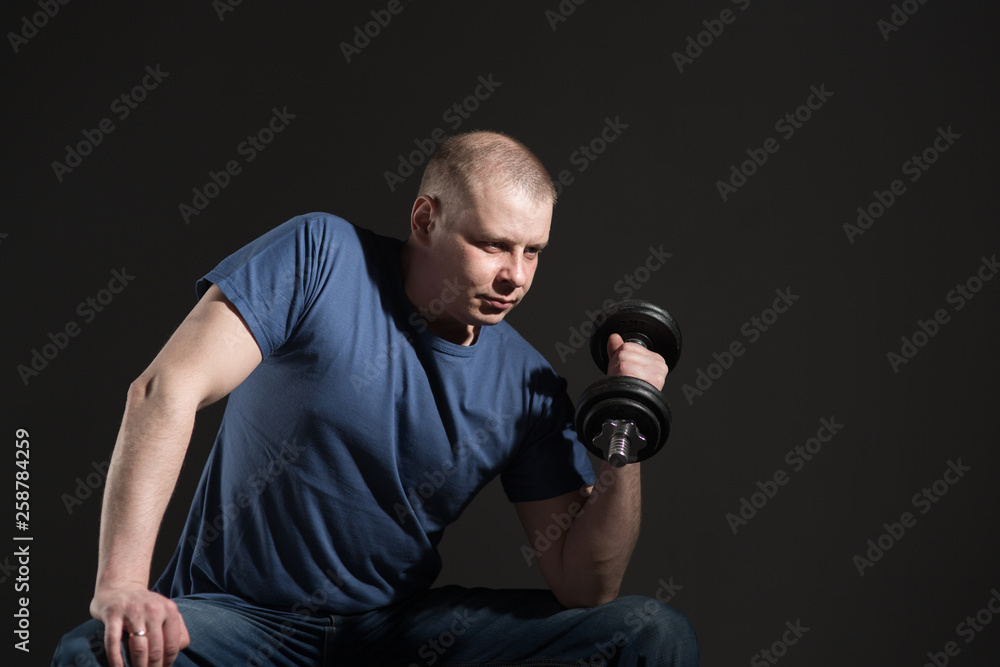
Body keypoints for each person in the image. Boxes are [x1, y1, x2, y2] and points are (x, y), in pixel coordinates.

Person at [52, 131, 698, 666]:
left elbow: (585, 584)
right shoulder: (320, 257)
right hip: (236, 621)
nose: (516, 276)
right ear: (425, 219)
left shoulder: (526, 383)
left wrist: (625, 426)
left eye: (533, 252)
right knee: (92, 654)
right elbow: (164, 389)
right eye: (492, 245)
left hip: (392, 636)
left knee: (648, 632)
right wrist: (122, 584)